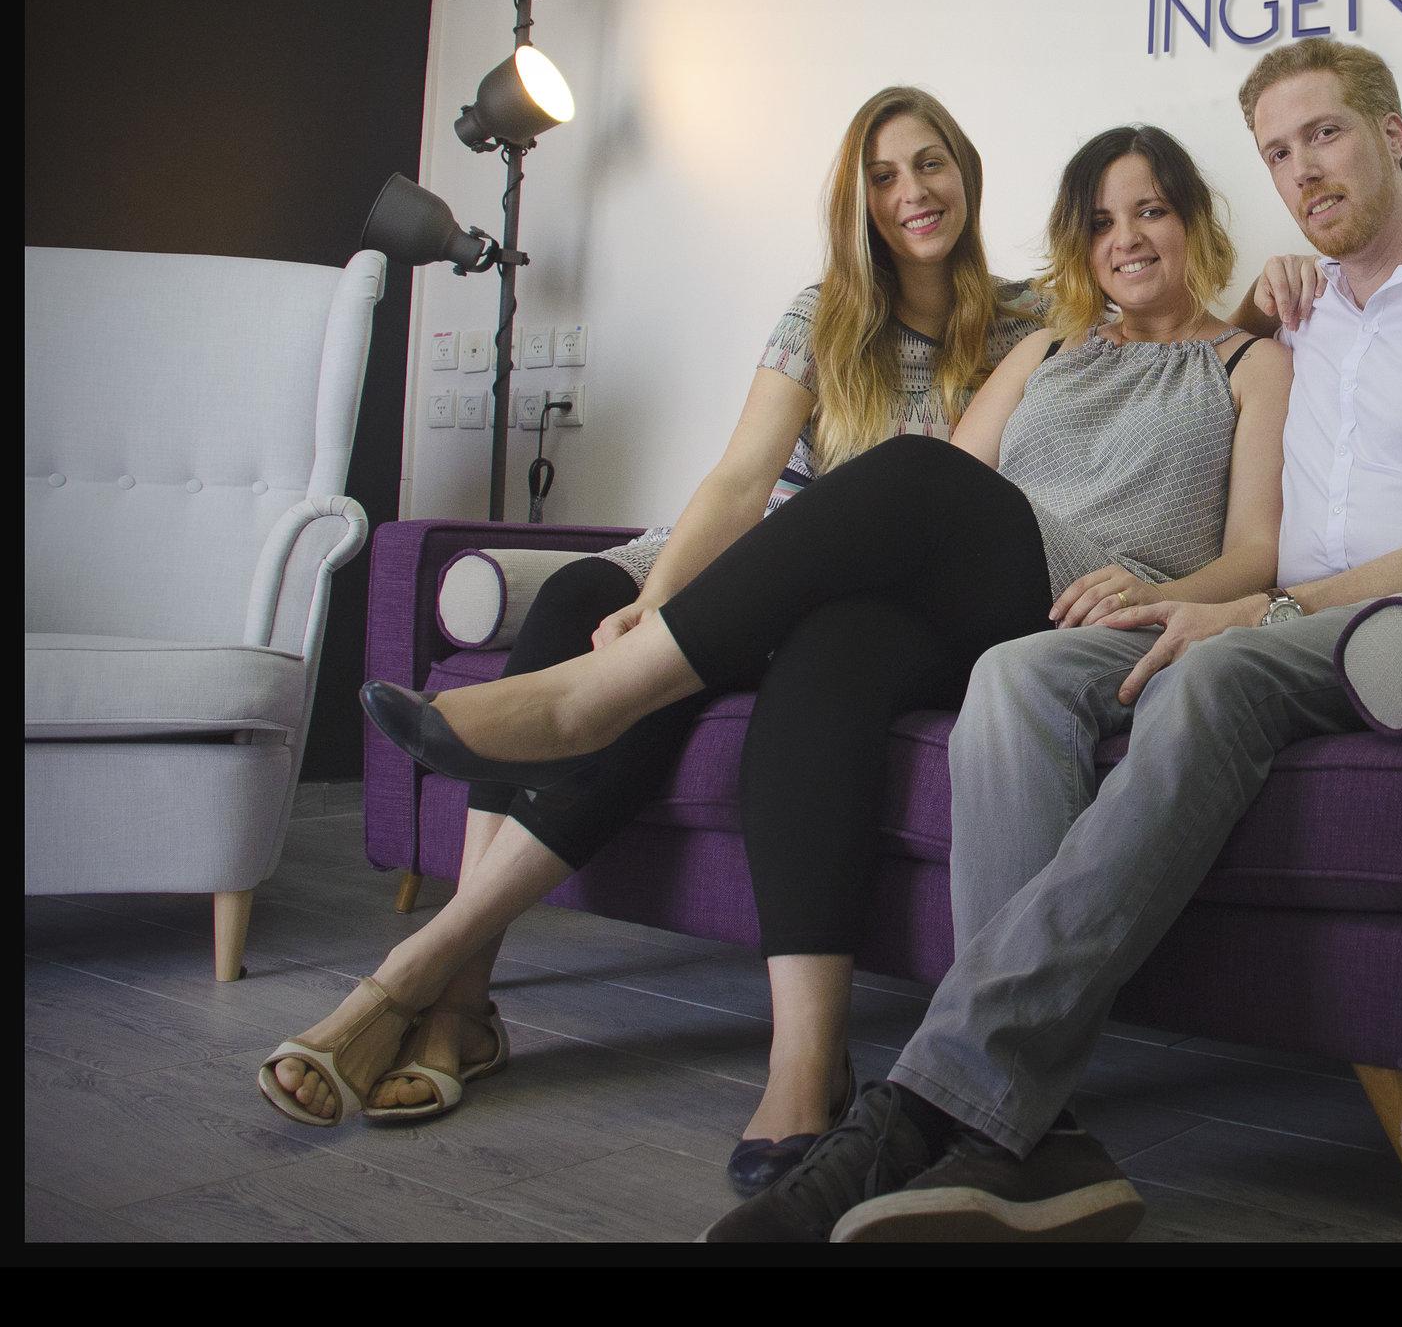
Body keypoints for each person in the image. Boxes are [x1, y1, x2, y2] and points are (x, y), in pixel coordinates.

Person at [702, 38, 1402, 1244]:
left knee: (1209, 673)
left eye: (1325, 134)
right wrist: (1225, 581)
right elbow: (1191, 343)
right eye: (1277, 152)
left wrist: (1263, 606)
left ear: (1391, 134)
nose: (1303, 170)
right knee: (1015, 672)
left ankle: (934, 1100)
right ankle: (1025, 1136)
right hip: (1261, 612)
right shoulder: (1303, 312)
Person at [346, 123, 1292, 1211]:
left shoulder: (1252, 362)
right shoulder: (1043, 347)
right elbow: (956, 491)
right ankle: (804, 1072)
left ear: (1195, 221)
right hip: (996, 588)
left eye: (1152, 211)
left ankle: (595, 699)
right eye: (1100, 221)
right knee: (829, 647)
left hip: (1111, 598)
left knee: (911, 471)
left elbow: (1257, 551)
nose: (1126, 238)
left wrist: (1172, 591)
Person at [258, 85, 1045, 1172]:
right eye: (884, 175)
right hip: (744, 554)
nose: (913, 191)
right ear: (856, 200)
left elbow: (1165, 304)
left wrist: (1261, 299)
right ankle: (467, 997)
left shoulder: (1029, 320)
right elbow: (738, 483)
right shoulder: (822, 315)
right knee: (575, 601)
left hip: (854, 598)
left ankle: (420, 977)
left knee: (648, 677)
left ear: (967, 172)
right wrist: (659, 602)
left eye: (930, 163)